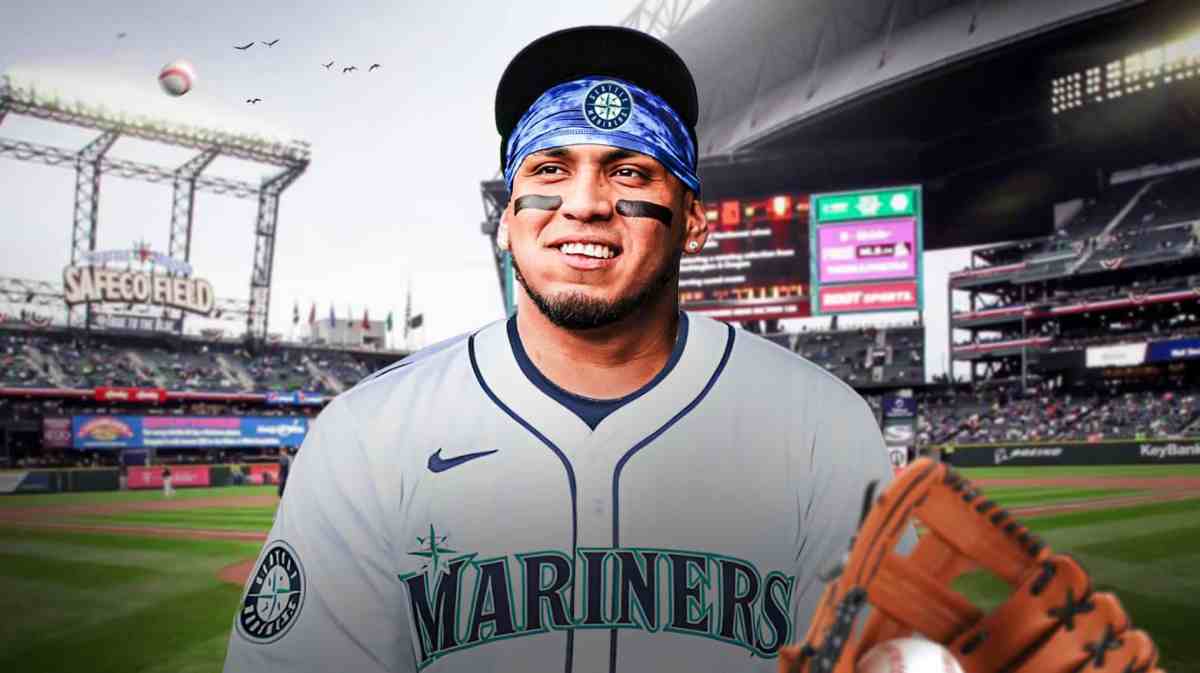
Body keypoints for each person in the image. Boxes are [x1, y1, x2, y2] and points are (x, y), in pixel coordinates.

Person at [224, 26, 899, 673]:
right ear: (506, 215)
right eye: (550, 166)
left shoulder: (822, 427)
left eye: (630, 172)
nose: (584, 203)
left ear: (693, 219)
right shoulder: (366, 436)